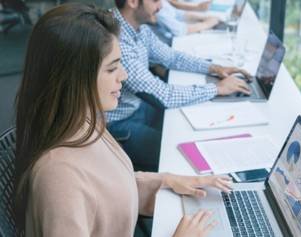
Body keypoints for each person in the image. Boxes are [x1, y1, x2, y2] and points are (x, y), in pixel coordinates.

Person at [14, 3, 233, 236]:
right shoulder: (59, 176)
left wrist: (167, 181)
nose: (124, 75)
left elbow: (107, 191)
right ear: (73, 78)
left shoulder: (86, 123)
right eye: (111, 69)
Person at [107, 0, 252, 172]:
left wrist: (214, 68)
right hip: (118, 124)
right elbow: (164, 96)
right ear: (132, 2)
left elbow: (172, 57)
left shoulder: (138, 28)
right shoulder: (117, 40)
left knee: (195, 126)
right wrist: (217, 89)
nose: (161, 6)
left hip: (138, 107)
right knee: (182, 160)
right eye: (154, 0)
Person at [155, 0, 219, 42]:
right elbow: (179, 30)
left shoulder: (163, 2)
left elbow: (179, 14)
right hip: (169, 43)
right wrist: (207, 24)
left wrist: (203, 18)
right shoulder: (157, 8)